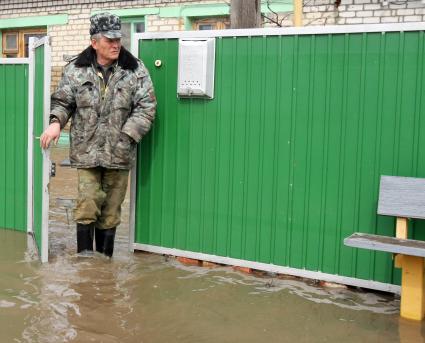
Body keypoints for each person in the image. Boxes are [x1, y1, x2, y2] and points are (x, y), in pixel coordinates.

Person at [40, 12, 156, 257]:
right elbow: (63, 102)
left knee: (111, 212)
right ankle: (85, 266)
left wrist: (127, 137)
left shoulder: (135, 69)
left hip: (120, 152)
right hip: (87, 152)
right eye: (109, 40)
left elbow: (147, 107)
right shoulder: (75, 69)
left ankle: (104, 266)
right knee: (87, 205)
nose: (116, 44)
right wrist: (55, 123)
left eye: (118, 39)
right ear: (94, 42)